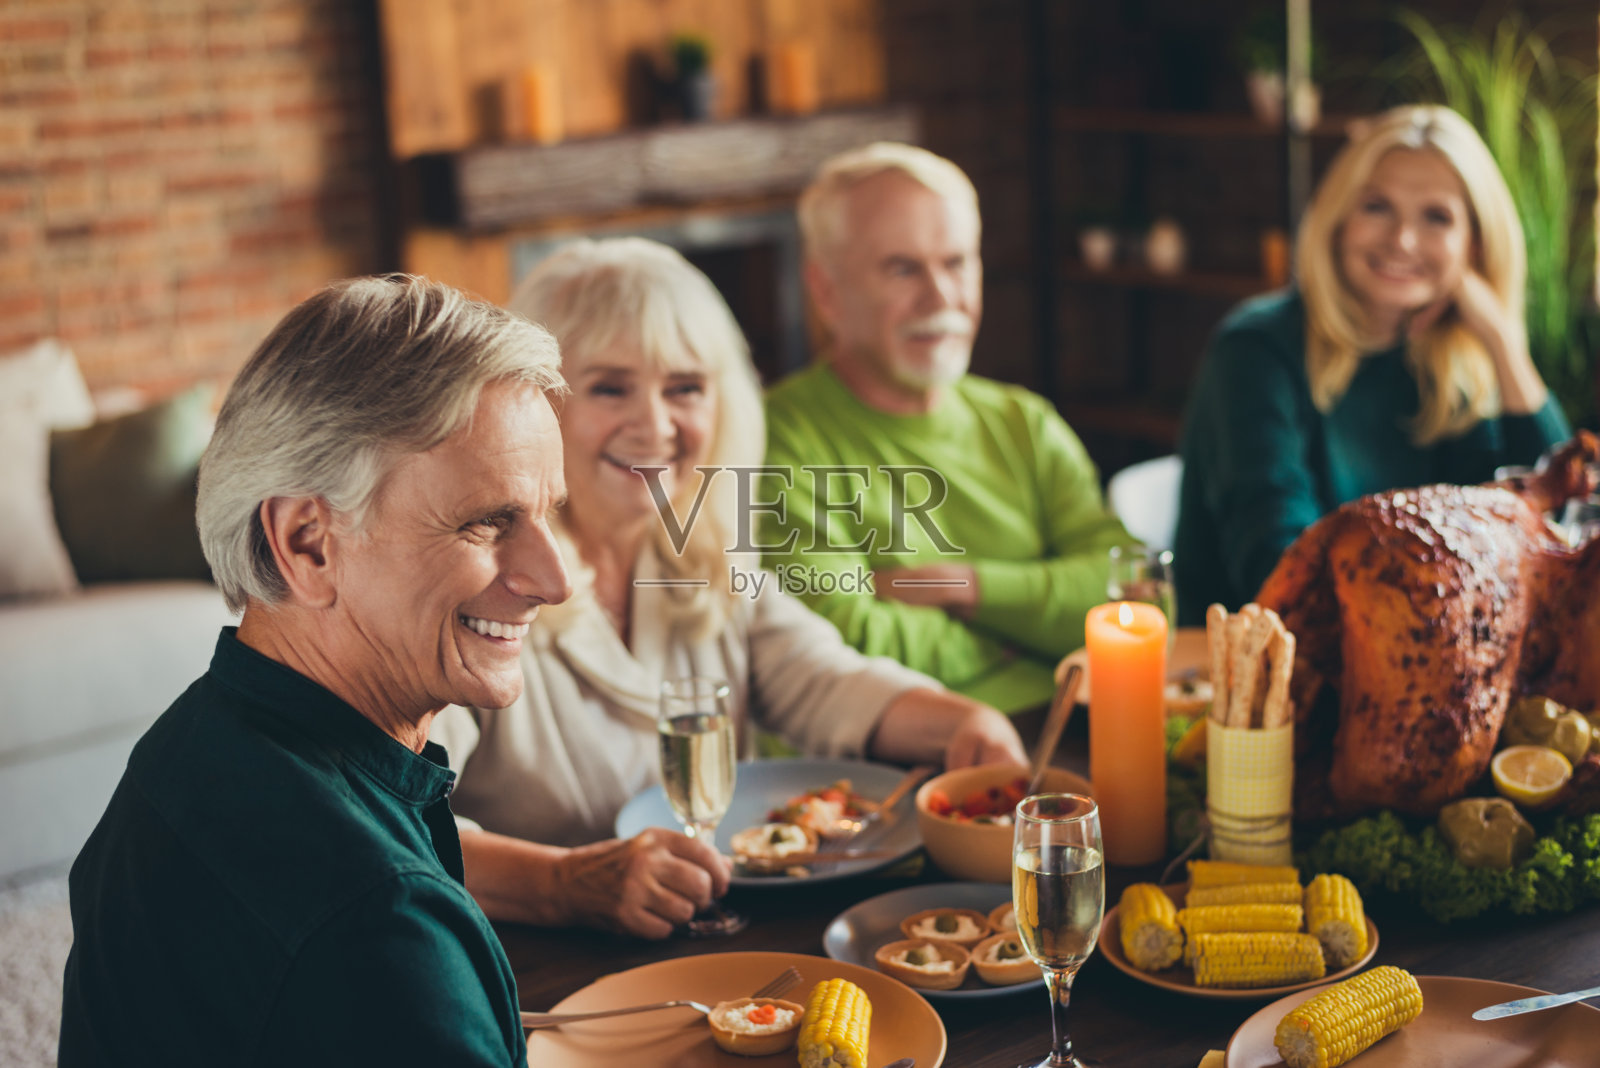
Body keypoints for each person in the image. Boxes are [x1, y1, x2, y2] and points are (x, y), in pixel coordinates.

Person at [430, 237, 1026, 940]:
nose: (656, 426)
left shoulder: (701, 554)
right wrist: (561, 884)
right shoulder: (478, 586)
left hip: (716, 941)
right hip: (541, 967)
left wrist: (965, 724)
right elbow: (398, 827)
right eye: (611, 388)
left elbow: (825, 679)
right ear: (535, 408)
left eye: (684, 388)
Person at [58, 277, 570, 1067]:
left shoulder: (186, 743)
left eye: (548, 513)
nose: (554, 579)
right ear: (308, 544)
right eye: (487, 522)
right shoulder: (380, 924)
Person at [758, 142, 1138, 714]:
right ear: (826, 292)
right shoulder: (776, 440)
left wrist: (965, 588)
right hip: (900, 753)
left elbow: (1133, 597)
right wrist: (1028, 630)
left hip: (1074, 727)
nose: (940, 297)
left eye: (957, 263)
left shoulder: (1024, 422)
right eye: (902, 268)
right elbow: (842, 647)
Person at [1174, 105, 1571, 623]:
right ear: (1339, 220)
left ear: (1474, 244)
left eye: (1437, 217)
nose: (1402, 239)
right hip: (1254, 658)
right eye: (1377, 206)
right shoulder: (1254, 352)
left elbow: (1556, 526)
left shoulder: (1452, 364)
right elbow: (1280, 575)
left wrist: (1503, 344)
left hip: (1419, 648)